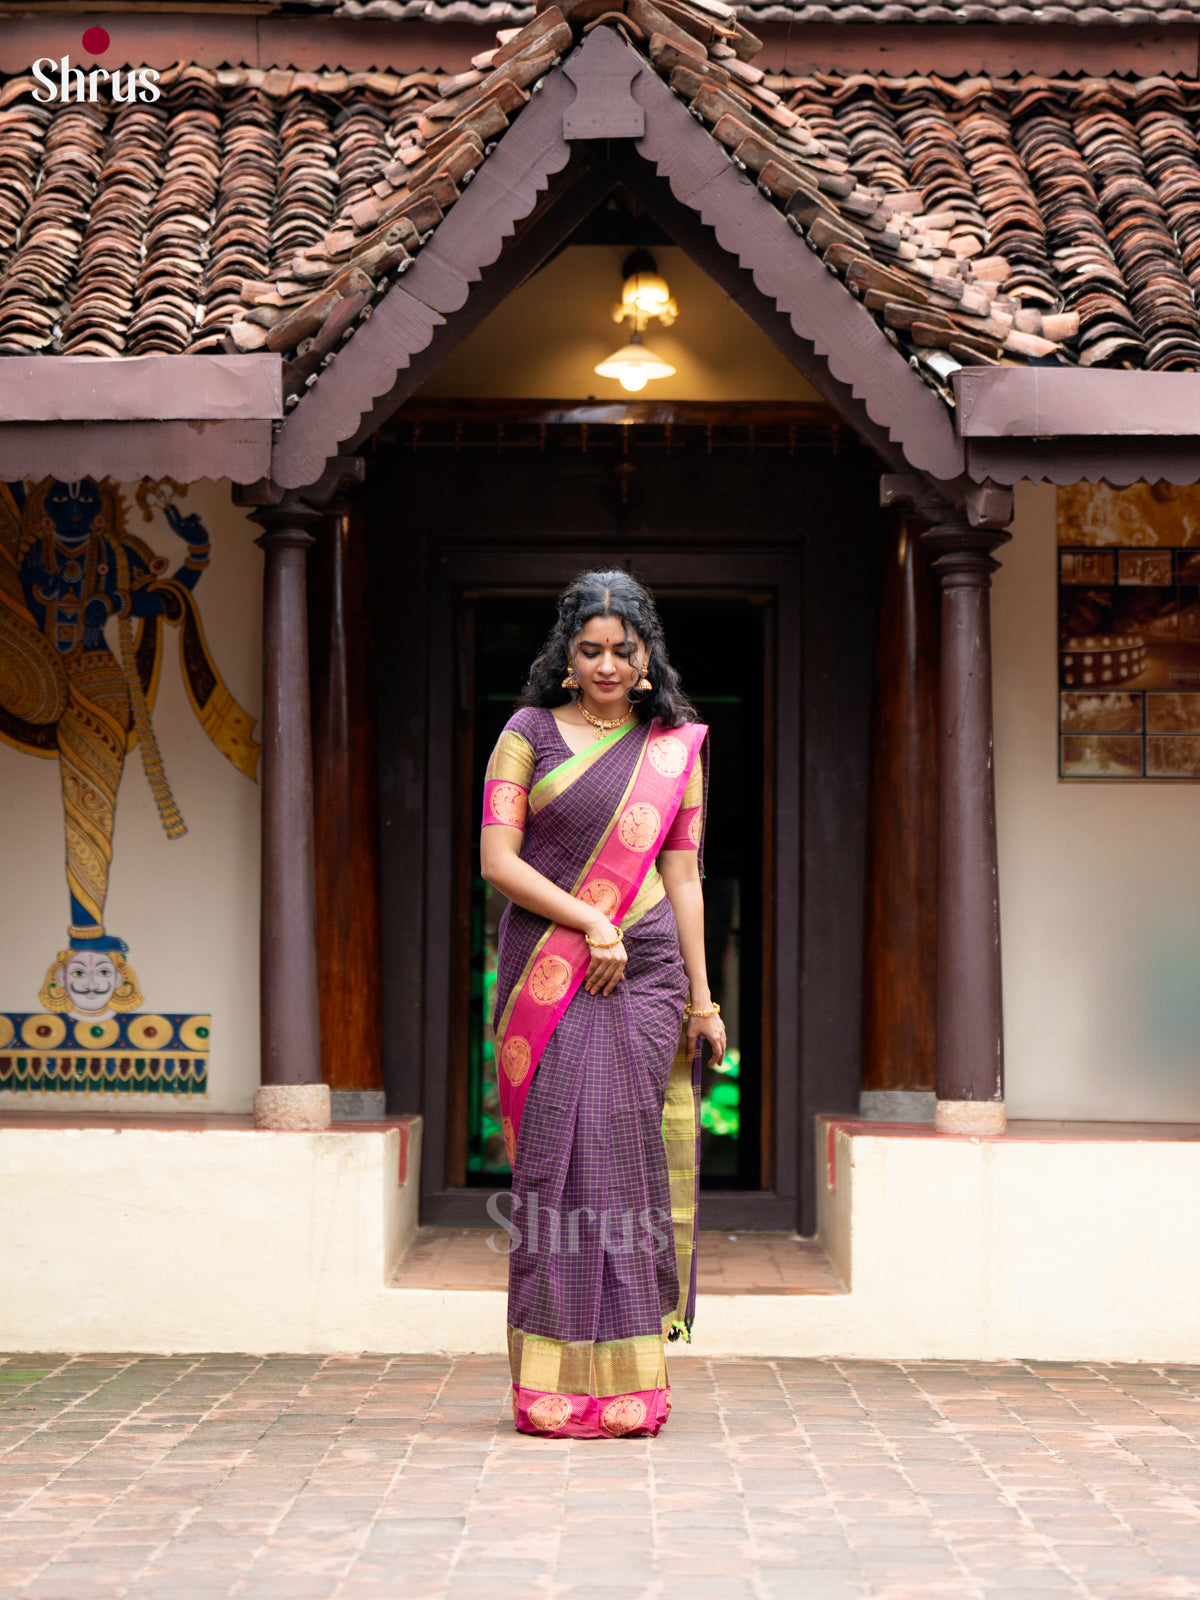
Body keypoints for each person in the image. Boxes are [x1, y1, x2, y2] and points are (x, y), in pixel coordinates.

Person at [480, 570, 726, 1439]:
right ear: (566, 656)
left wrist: (701, 999)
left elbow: (683, 875)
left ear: (647, 655)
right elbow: (498, 861)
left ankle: (629, 1384)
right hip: (552, 963)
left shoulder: (675, 747)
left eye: (625, 650)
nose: (609, 665)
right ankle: (547, 1384)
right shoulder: (527, 735)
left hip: (648, 967)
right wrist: (591, 921)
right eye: (591, 651)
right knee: (557, 1158)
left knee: (624, 1158)